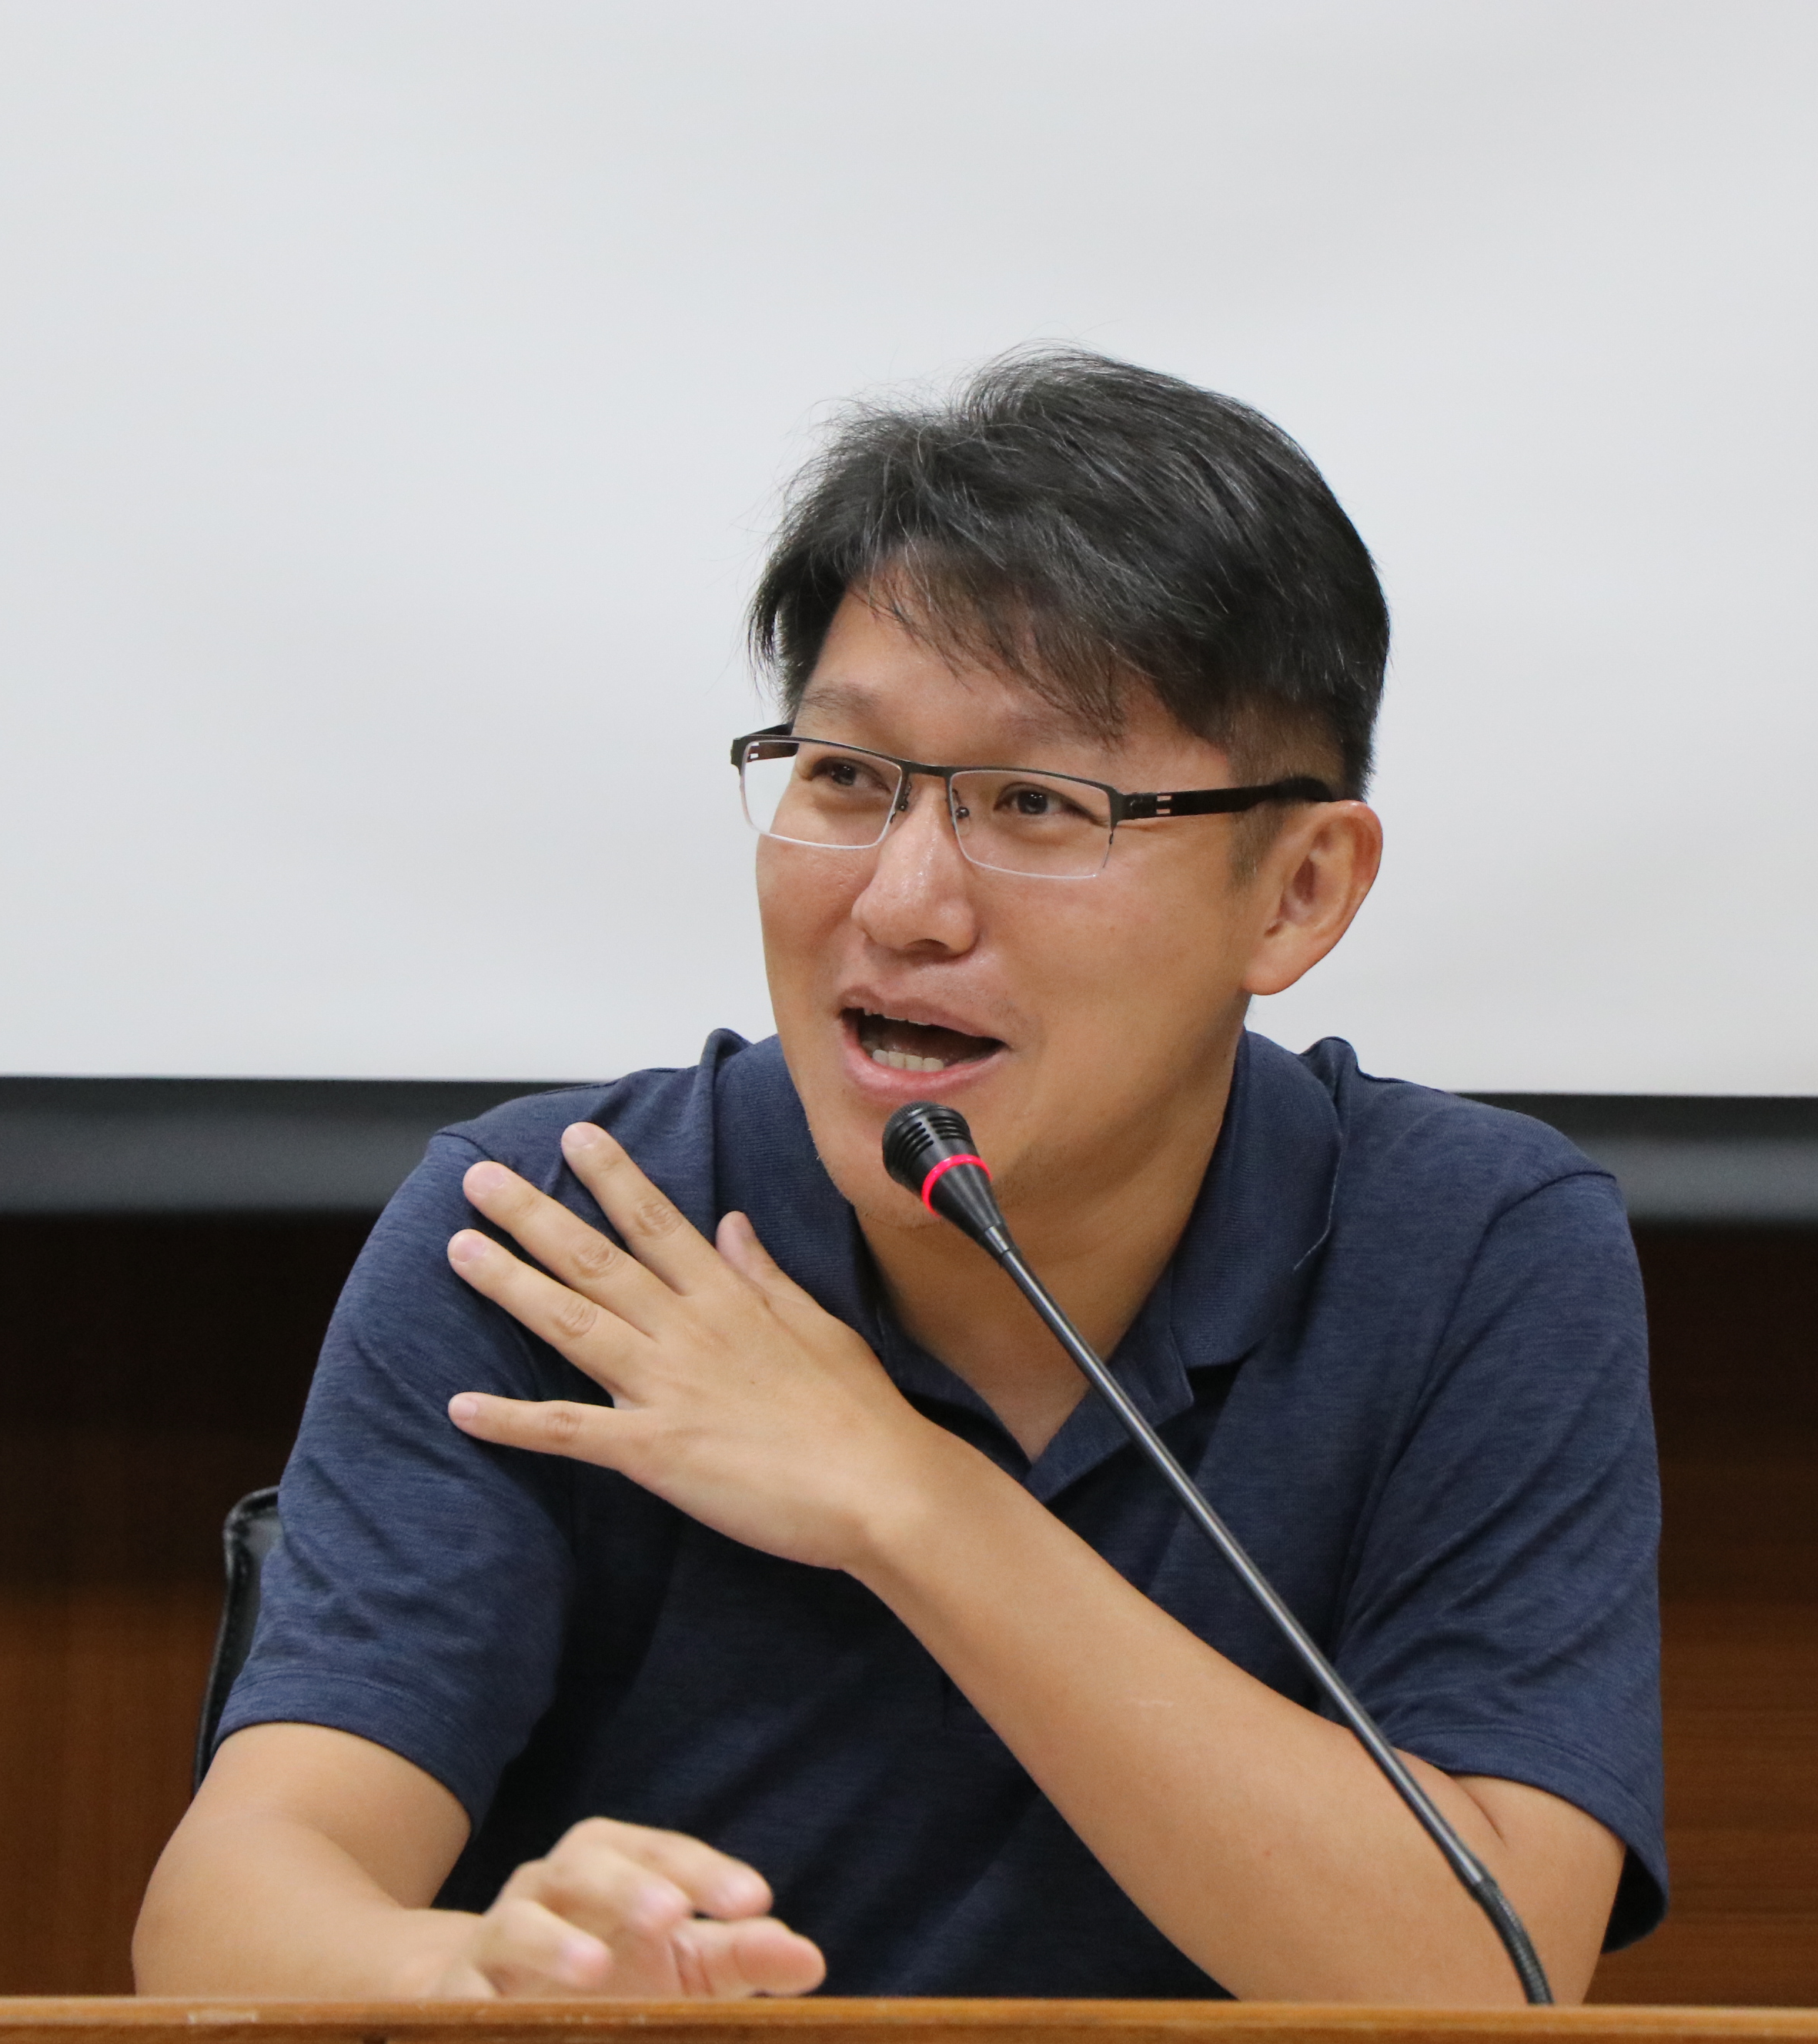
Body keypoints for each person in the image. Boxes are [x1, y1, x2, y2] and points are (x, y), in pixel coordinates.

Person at [133, 348, 1664, 2003]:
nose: (901, 902)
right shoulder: (561, 1230)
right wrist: (493, 1980)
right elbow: (229, 1914)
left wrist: (907, 1502)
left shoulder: (1469, 1248)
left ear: (1297, 891)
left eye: (1038, 802)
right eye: (847, 778)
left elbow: (1490, 1977)